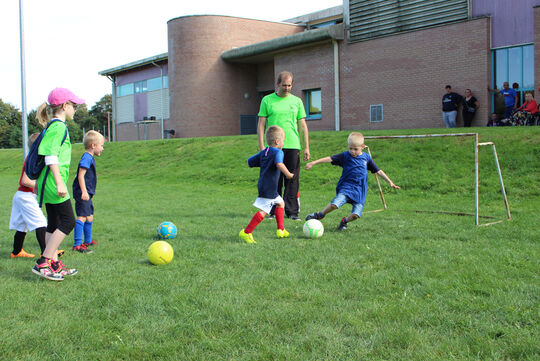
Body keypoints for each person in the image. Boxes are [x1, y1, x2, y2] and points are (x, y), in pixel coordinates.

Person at [31, 87, 85, 281]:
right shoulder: (58, 127)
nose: (75, 110)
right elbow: (50, 155)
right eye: (74, 106)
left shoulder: (53, 126)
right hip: (54, 184)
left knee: (53, 224)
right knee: (69, 221)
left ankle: (53, 264)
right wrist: (60, 183)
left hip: (49, 183)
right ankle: (43, 262)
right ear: (64, 105)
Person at [305, 132, 400, 231]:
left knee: (356, 215)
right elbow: (330, 158)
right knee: (335, 204)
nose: (352, 151)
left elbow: (378, 171)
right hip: (346, 187)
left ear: (362, 147)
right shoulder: (345, 156)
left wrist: (390, 182)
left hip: (359, 191)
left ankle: (344, 221)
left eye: (355, 149)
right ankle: (320, 215)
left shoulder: (366, 158)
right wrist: (313, 162)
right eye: (350, 148)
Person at [257, 71, 310, 220]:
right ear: (277, 84)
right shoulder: (267, 100)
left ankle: (292, 212)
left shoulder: (297, 101)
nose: (287, 88)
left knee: (292, 179)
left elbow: (303, 125)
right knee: (274, 179)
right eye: (284, 85)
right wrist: (262, 147)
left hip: (293, 145)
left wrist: (306, 147)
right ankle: (273, 212)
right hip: (273, 147)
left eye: (289, 85)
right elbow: (261, 124)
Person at [239, 125, 294, 244]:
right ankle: (246, 232)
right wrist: (289, 175)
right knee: (263, 211)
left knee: (280, 203)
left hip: (265, 185)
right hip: (269, 187)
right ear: (277, 141)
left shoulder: (265, 152)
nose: (283, 143)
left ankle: (281, 229)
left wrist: (265, 163)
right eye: (283, 140)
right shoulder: (278, 152)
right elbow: (279, 164)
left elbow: (250, 162)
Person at [8, 133, 47, 259]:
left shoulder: (32, 158)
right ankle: (47, 252)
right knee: (40, 222)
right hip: (25, 196)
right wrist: (41, 188)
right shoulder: (33, 159)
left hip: (21, 196)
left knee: (21, 225)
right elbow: (25, 181)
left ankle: (17, 252)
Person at [72, 130, 105, 253]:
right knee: (82, 216)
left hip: (87, 193)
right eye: (101, 145)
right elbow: (81, 175)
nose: (102, 148)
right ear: (93, 146)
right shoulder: (86, 157)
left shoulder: (89, 157)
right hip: (83, 193)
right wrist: (84, 192)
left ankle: (88, 241)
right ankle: (77, 244)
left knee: (89, 216)